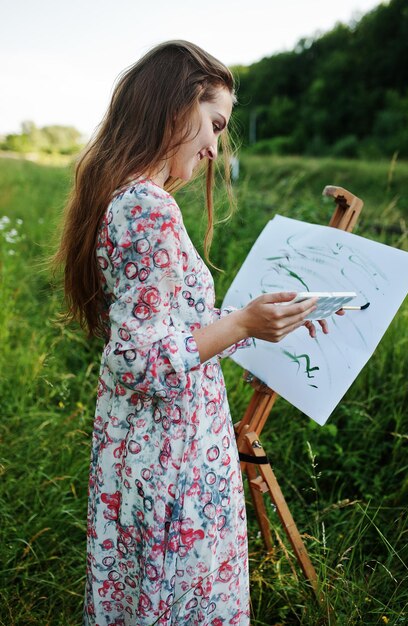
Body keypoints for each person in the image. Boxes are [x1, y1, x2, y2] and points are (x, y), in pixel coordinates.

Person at [54, 40, 332, 626]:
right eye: (214, 124)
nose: (214, 147)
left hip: (150, 453)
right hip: (172, 461)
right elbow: (139, 360)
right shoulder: (148, 207)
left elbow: (171, 336)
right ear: (176, 104)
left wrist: (258, 325)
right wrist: (241, 321)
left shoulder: (126, 197)